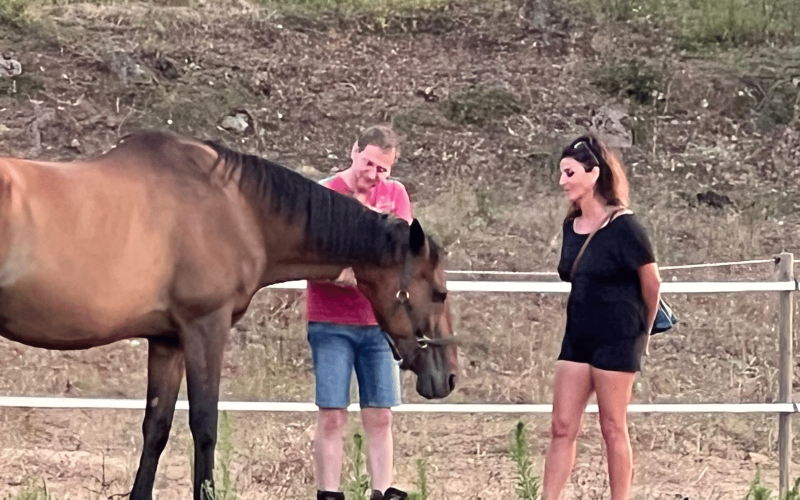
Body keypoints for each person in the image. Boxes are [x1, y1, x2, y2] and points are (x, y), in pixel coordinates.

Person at [542, 134, 662, 500]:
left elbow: (652, 283)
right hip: (578, 336)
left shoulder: (626, 227)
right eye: (561, 173)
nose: (562, 181)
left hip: (619, 337)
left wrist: (641, 332)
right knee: (561, 426)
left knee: (613, 426)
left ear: (593, 174)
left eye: (569, 172)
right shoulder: (570, 227)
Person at [306, 125, 412, 500]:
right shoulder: (324, 193)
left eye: (383, 169)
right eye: (368, 163)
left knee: (380, 413)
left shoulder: (395, 194)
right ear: (353, 151)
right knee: (332, 413)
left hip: (378, 323)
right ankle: (329, 492)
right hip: (330, 321)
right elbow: (310, 254)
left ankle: (382, 491)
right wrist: (341, 272)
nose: (373, 174)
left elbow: (401, 252)